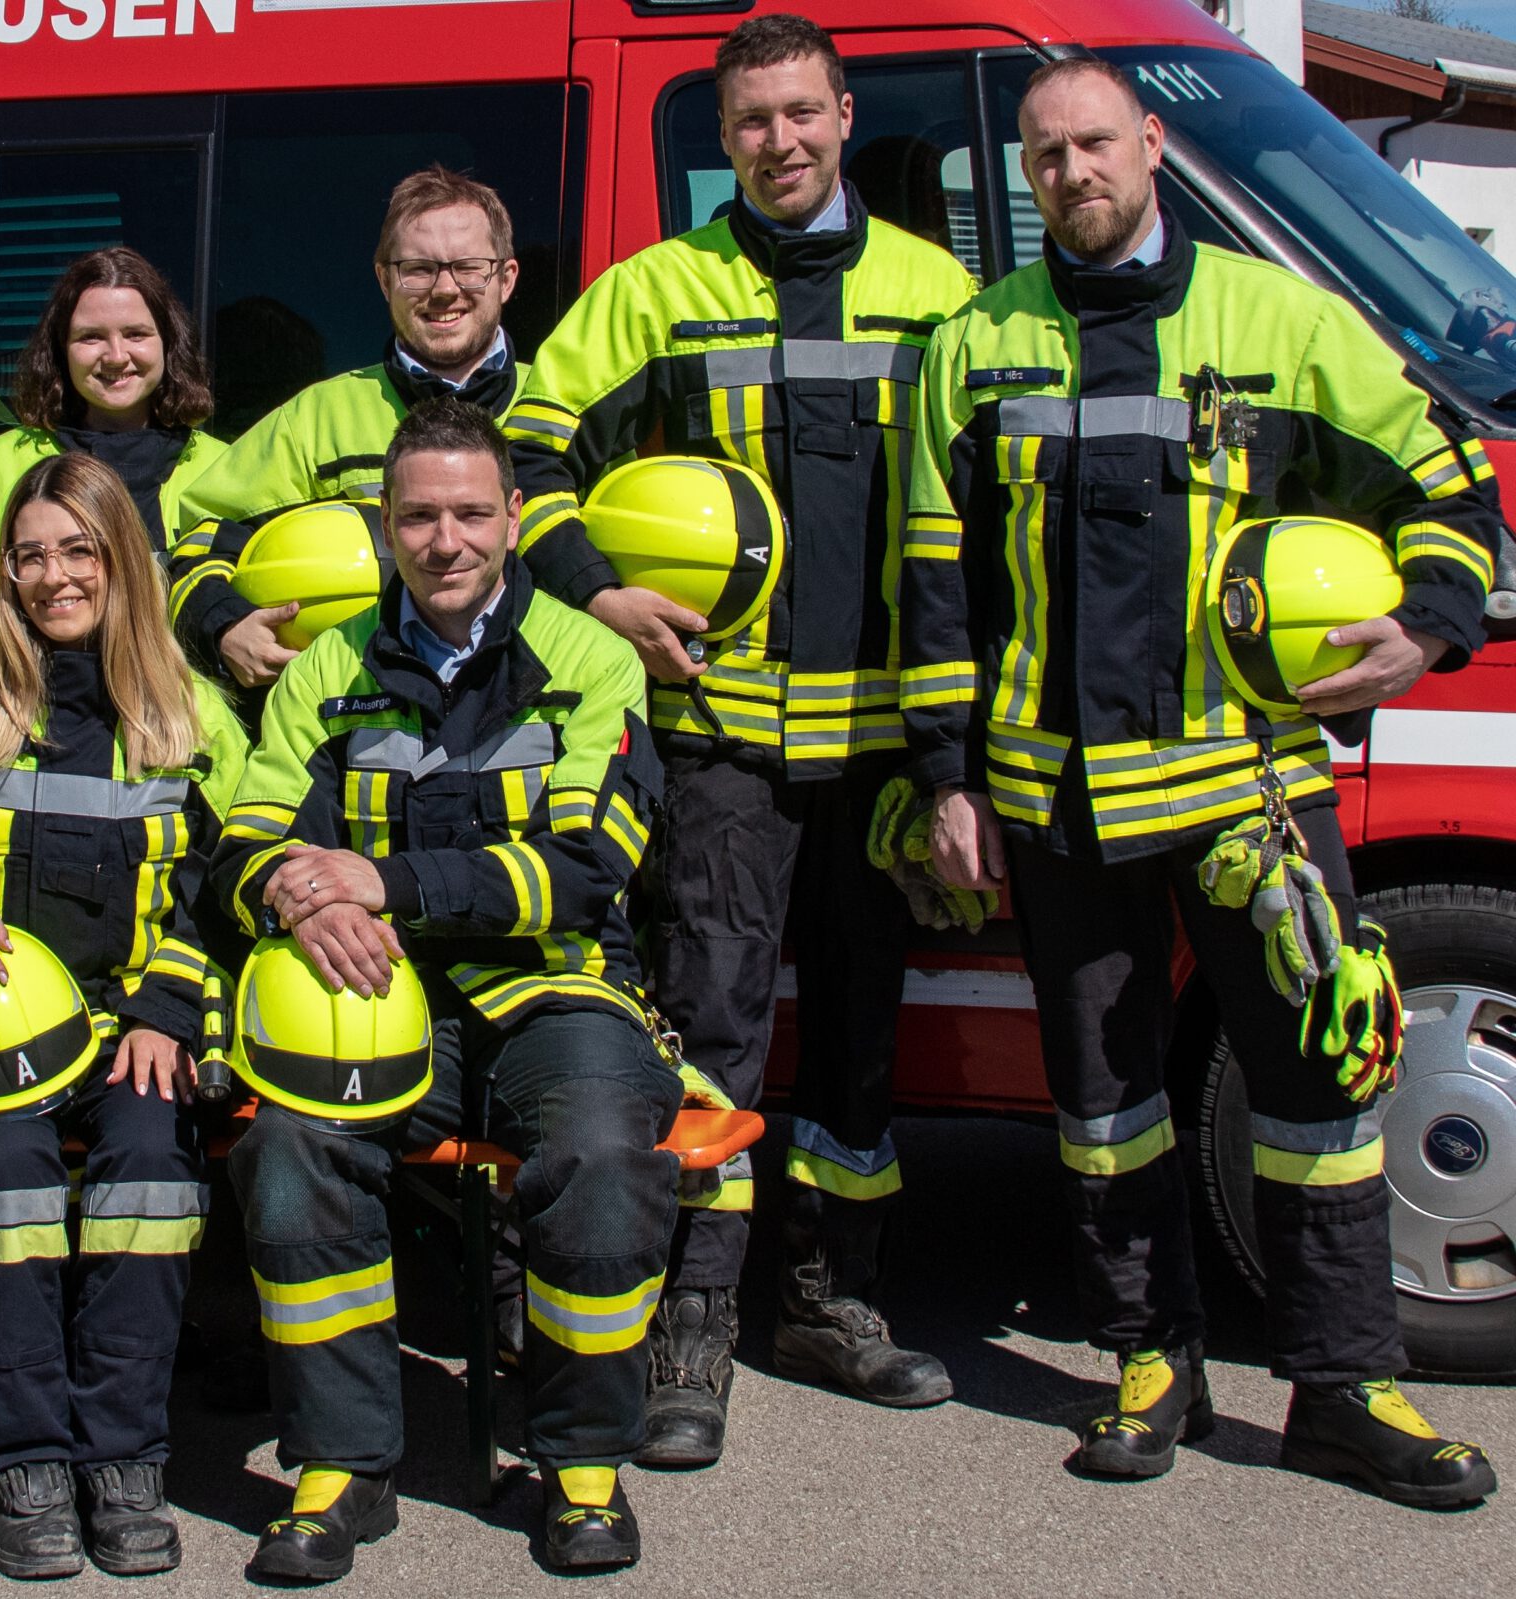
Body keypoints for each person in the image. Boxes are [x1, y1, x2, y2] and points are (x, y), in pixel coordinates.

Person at [903, 56, 1500, 1505]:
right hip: (1055, 802)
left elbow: (1447, 484)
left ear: (1151, 143)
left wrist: (1428, 626)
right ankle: (1147, 1360)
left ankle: (1345, 1386)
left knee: (1318, 1095)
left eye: (1094, 143)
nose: (1071, 173)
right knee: (1104, 1102)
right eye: (1044, 154)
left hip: (1251, 800)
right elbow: (933, 584)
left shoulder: (1282, 320)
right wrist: (946, 779)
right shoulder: (975, 343)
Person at [504, 14, 975, 1467]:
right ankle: (689, 1329)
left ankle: (833, 1301)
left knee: (859, 1039)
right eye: (752, 120)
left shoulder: (938, 294)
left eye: (800, 112)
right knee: (710, 1034)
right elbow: (528, 456)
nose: (779, 141)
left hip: (881, 749)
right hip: (718, 746)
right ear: (721, 138)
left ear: (845, 115)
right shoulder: (655, 291)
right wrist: (601, 591)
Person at [212, 399, 677, 1579]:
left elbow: (585, 868)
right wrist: (295, 897)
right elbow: (248, 840)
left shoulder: (592, 659)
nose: (445, 541)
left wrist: (382, 880)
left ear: (514, 517)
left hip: (556, 994)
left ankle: (581, 1465)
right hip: (376, 996)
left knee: (600, 1154)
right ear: (384, 524)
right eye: (418, 516)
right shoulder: (328, 666)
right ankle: (341, 1468)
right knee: (291, 1150)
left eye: (470, 513)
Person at [0, 453, 248, 1578]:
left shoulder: (193, 709)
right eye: (30, 556)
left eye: (80, 551)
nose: (55, 576)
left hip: (133, 1028)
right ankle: (25, 1463)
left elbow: (229, 889)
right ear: (4, 572)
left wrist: (169, 1005)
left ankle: (124, 1461)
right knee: (4, 1182)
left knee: (151, 1173)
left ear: (124, 560)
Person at [167, 167, 531, 689]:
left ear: (507, 278)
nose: (445, 289)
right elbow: (199, 541)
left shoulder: (562, 403)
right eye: (418, 269)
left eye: (468, 268)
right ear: (384, 280)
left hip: (534, 702)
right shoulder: (316, 418)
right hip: (361, 709)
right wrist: (224, 626)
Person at [0, 247, 225, 641]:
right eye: (91, 337)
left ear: (168, 342)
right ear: (60, 351)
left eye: (136, 334)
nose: (116, 356)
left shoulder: (226, 474)